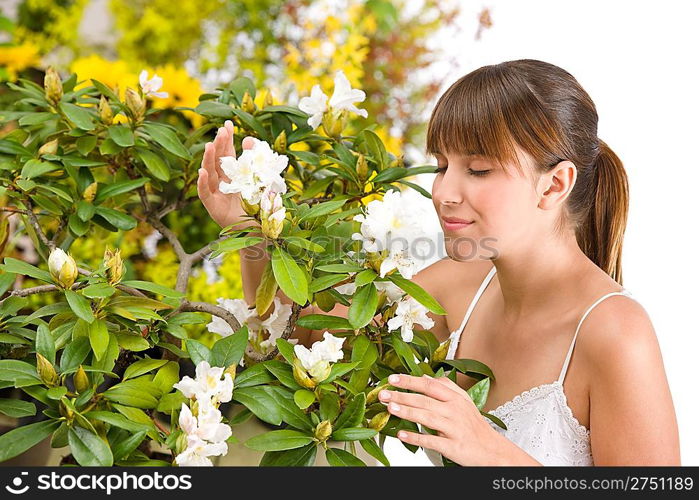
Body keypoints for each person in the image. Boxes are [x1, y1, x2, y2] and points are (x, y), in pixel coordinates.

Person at [197, 59, 680, 466]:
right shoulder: (461, 286)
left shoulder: (615, 331)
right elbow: (298, 342)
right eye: (442, 165)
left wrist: (495, 454)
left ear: (554, 184)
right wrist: (252, 230)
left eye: (478, 169)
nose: (444, 193)